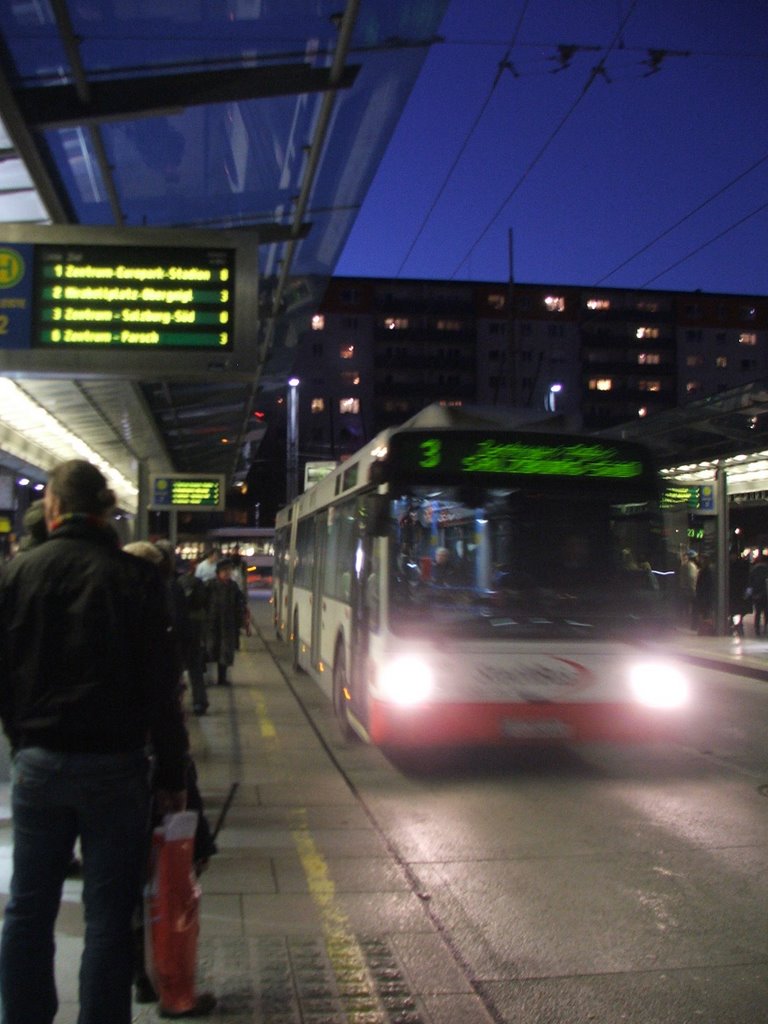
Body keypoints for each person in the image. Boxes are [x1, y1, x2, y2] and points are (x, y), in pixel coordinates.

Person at [0, 460, 189, 1024]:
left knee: (28, 910)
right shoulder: (134, 578)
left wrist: (20, 736)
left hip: (38, 764)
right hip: (115, 767)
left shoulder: (15, 575)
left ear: (54, 507)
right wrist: (173, 773)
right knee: (109, 915)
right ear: (109, 510)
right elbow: (162, 685)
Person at [204, 558, 246, 686]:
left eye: (228, 570)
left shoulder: (233, 586)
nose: (227, 573)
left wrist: (240, 621)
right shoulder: (210, 585)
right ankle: (208, 678)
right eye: (224, 571)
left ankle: (222, 678)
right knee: (210, 650)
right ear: (218, 572)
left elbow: (240, 604)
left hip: (228, 624)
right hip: (212, 624)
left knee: (225, 652)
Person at [747, 553, 768, 636]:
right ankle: (765, 626)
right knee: (766, 611)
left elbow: (750, 583)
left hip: (756, 594)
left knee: (758, 612)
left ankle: (757, 628)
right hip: (765, 594)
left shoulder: (754, 570)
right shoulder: (766, 569)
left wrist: (750, 594)